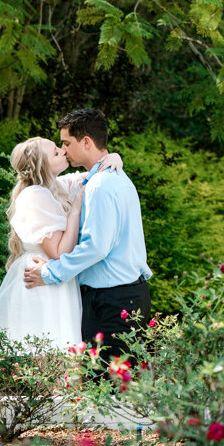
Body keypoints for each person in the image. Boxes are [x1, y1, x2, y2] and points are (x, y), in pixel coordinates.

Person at [23, 108, 152, 366]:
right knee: (114, 390)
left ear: (87, 142)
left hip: (113, 302)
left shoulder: (101, 186)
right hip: (122, 297)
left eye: (67, 143)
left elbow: (96, 247)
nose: (64, 150)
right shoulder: (106, 178)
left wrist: (51, 273)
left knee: (107, 390)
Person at [0, 137, 122, 352]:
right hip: (41, 279)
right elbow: (59, 252)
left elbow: (95, 174)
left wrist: (113, 157)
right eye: (56, 152)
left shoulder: (56, 186)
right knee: (48, 351)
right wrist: (75, 209)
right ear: (42, 166)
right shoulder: (35, 196)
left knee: (62, 353)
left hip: (55, 277)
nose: (63, 152)